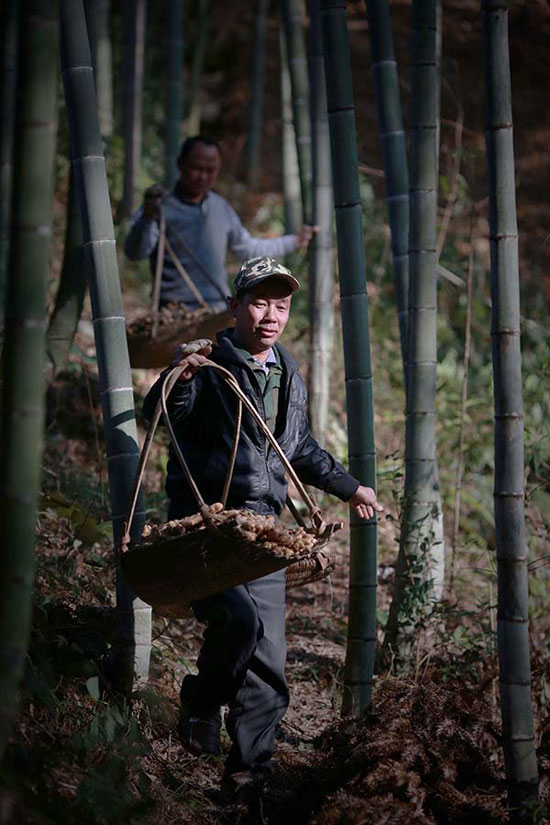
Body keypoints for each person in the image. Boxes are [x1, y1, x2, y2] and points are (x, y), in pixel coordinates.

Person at [142, 255, 383, 798]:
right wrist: (180, 372)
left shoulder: (286, 370)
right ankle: (202, 702)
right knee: (239, 623)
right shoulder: (211, 363)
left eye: (280, 305)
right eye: (259, 302)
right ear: (235, 306)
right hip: (209, 524)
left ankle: (249, 771)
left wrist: (352, 488)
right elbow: (162, 411)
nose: (270, 315)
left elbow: (297, 448)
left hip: (265, 529)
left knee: (270, 659)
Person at [124, 136, 317, 311]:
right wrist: (147, 217)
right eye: (197, 168)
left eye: (211, 170)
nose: (203, 177)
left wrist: (295, 241)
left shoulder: (220, 208)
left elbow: (249, 249)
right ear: (180, 164)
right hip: (173, 311)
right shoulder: (160, 207)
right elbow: (135, 252)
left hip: (217, 308)